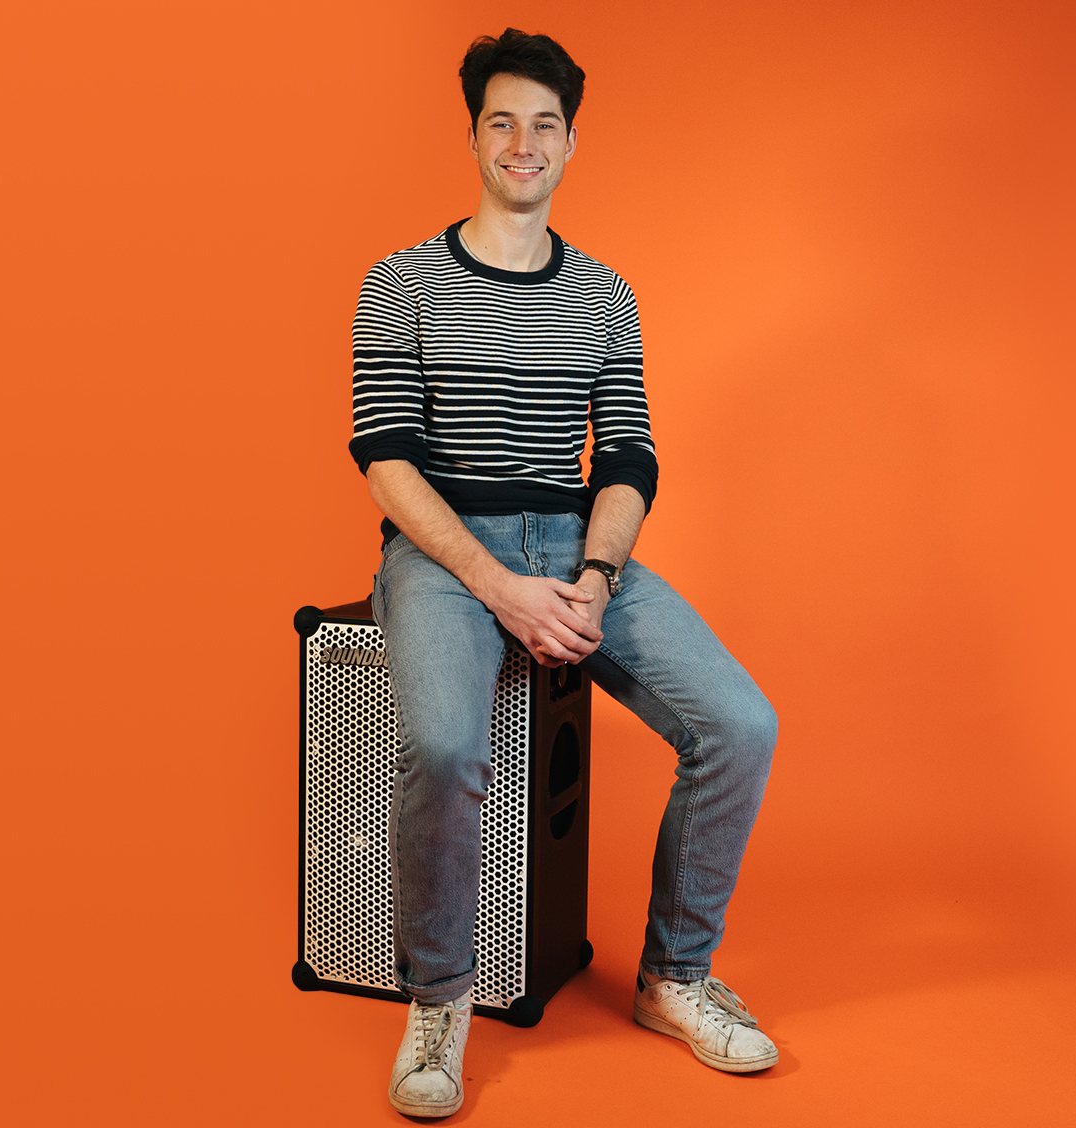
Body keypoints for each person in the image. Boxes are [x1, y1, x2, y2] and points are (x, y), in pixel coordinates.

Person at [348, 28, 780, 1118]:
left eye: (544, 124)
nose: (522, 142)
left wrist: (591, 576)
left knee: (740, 723)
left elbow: (628, 455)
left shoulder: (603, 293)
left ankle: (674, 978)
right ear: (474, 137)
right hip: (446, 555)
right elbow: (386, 462)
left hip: (577, 549)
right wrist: (499, 588)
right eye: (502, 121)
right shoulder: (398, 282)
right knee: (443, 745)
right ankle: (439, 999)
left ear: (571, 143)